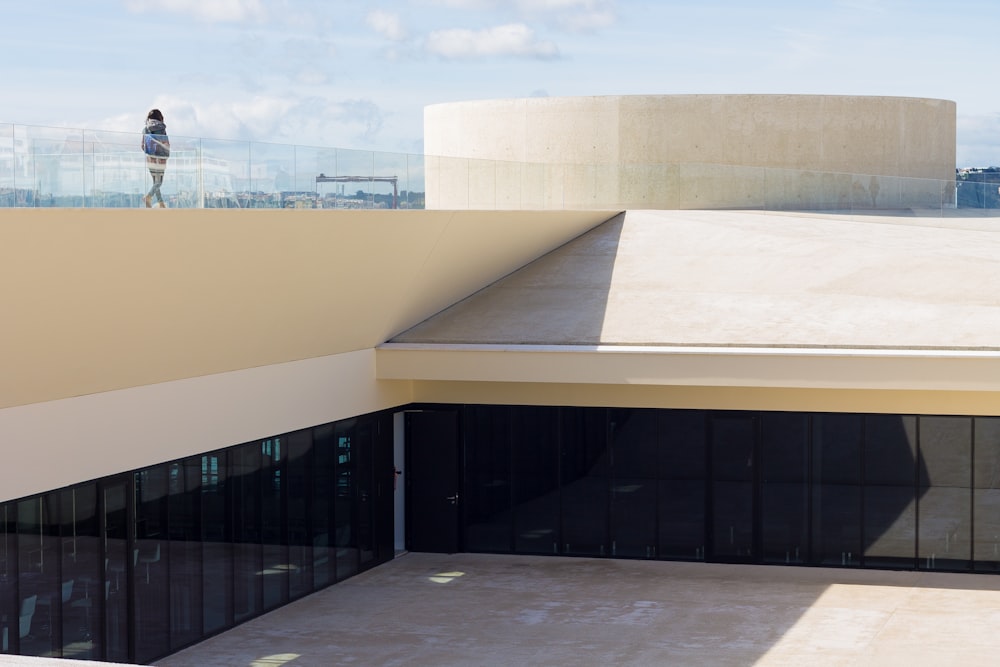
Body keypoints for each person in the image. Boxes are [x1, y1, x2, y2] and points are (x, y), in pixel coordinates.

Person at [140, 109, 170, 208]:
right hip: (160, 158)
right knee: (159, 182)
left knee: (155, 182)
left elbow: (143, 146)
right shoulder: (162, 128)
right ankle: (148, 197)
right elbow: (166, 144)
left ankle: (161, 203)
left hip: (150, 158)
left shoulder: (145, 129)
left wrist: (150, 152)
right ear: (160, 117)